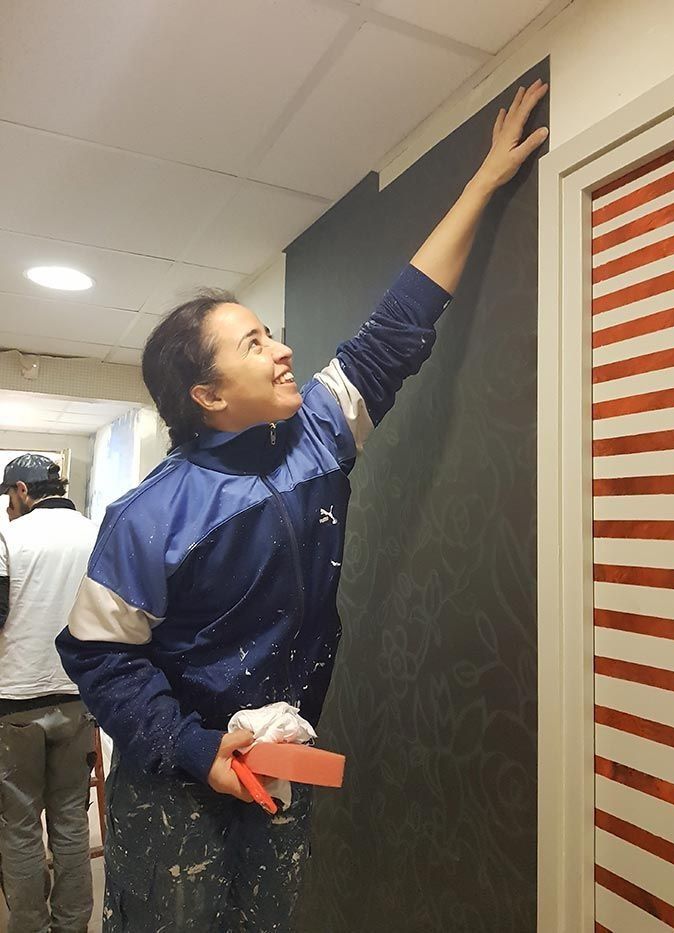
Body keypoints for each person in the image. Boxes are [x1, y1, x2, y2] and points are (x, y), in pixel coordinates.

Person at [57, 80, 549, 931]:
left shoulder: (321, 428)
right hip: (178, 779)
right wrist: (195, 749)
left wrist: (483, 184)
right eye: (255, 343)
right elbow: (100, 661)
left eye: (271, 332)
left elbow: (399, 327)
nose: (284, 349)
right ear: (208, 395)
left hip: (285, 759)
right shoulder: (145, 517)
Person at [0, 454, 98, 933]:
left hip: (14, 700)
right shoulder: (97, 532)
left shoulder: (8, 538)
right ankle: (73, 926)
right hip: (80, 696)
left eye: (8, 499)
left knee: (18, 826)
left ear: (21, 491)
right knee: (70, 822)